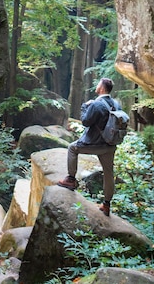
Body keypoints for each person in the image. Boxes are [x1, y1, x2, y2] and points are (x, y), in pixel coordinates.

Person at [58, 77, 121, 216]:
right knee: (109, 173)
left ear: (102, 88)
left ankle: (71, 180)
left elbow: (85, 122)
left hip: (95, 143)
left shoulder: (96, 104)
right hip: (110, 144)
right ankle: (106, 205)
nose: (96, 86)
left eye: (98, 84)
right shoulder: (116, 104)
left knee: (72, 148)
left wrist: (85, 106)